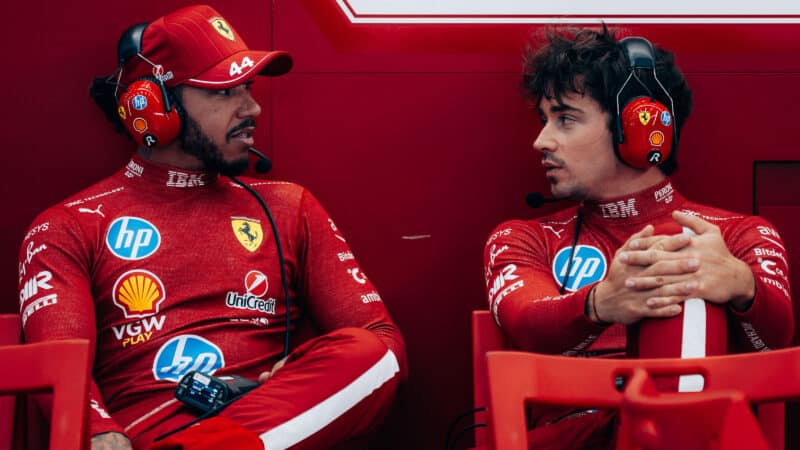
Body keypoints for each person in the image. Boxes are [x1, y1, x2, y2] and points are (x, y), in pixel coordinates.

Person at [17, 5, 406, 450]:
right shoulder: (66, 226)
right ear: (153, 107)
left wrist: (299, 371)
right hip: (141, 439)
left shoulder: (289, 205)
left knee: (371, 357)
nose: (253, 107)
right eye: (223, 93)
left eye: (248, 87)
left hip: (267, 427)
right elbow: (58, 379)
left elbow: (383, 345)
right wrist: (101, 433)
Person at [482, 26, 793, 449]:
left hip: (709, 436)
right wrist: (599, 303)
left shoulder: (738, 237)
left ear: (641, 129)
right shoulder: (521, 238)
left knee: (681, 256)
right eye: (544, 120)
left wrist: (743, 288)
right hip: (576, 439)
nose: (542, 141)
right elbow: (525, 323)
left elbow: (776, 346)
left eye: (566, 119)